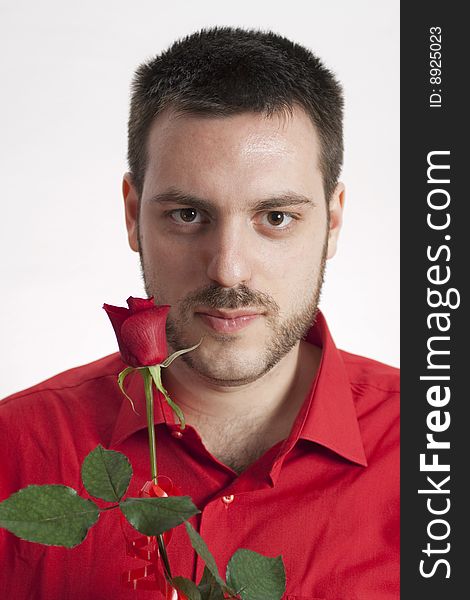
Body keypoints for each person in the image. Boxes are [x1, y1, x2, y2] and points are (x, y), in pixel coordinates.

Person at [0, 27, 399, 599]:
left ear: (333, 222)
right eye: (188, 214)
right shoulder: (13, 449)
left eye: (276, 217)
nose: (229, 270)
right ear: (134, 214)